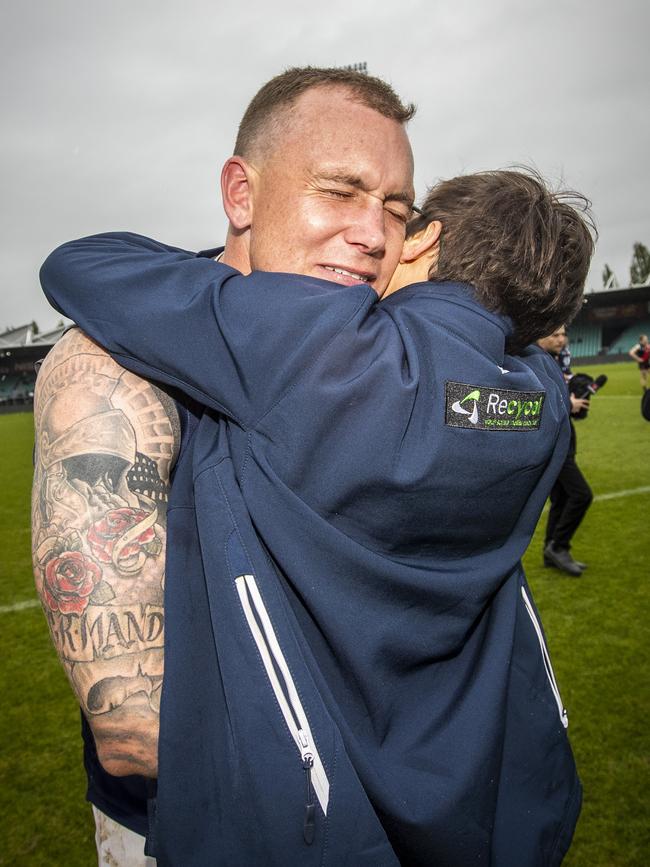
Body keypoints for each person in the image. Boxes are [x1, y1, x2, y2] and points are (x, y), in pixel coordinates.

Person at [41, 168, 595, 866]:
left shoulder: (331, 348)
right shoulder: (540, 400)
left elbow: (81, 265)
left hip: (309, 801)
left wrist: (247, 270)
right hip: (474, 787)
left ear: (428, 239)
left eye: (403, 216)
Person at [32, 65, 416, 865]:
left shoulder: (381, 350)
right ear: (241, 195)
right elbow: (133, 725)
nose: (374, 234)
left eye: (396, 208)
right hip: (214, 828)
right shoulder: (115, 366)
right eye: (341, 191)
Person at [537, 326, 592, 576]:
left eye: (563, 334)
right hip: (549, 442)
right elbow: (536, 400)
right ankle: (559, 546)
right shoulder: (532, 360)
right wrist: (567, 404)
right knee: (581, 495)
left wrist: (576, 400)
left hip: (564, 438)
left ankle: (552, 551)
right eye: (555, 334)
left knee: (561, 497)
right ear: (539, 336)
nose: (561, 339)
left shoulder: (559, 359)